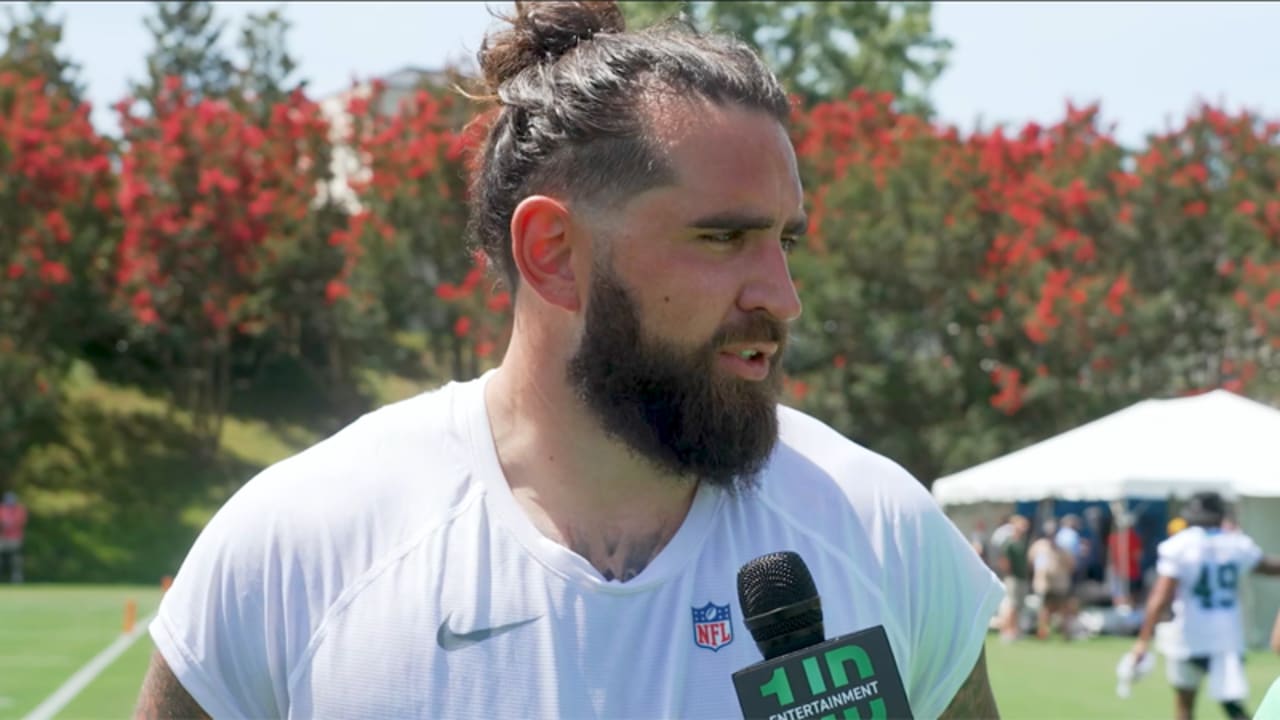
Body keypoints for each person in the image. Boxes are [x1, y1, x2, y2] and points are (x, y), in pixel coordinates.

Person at [133, 3, 1004, 718]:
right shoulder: (301, 544)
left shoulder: (879, 531)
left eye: (785, 241)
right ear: (553, 251)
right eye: (724, 236)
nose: (780, 295)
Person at [1131, 491, 1280, 720]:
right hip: (1226, 638)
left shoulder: (1180, 544)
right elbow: (1269, 567)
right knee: (1233, 706)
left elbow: (1161, 595)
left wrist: (1143, 638)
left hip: (1189, 636)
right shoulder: (1236, 543)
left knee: (1184, 706)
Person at [1029, 518, 1077, 640]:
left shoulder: (1062, 549)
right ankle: (1043, 633)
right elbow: (1031, 561)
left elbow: (1071, 565)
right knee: (1044, 610)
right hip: (1044, 584)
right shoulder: (1039, 546)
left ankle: (1065, 634)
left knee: (1063, 610)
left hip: (1060, 584)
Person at [995, 514, 1031, 642]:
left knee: (1018, 605)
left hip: (1021, 577)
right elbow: (1004, 560)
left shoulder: (1022, 542)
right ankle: (1007, 631)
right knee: (1011, 605)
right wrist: (1009, 573)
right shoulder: (1009, 543)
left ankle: (1015, 630)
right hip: (1013, 578)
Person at [1108, 514, 1145, 609]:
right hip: (1131, 572)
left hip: (1117, 571)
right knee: (1131, 597)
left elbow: (1111, 556)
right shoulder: (1134, 537)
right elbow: (1138, 556)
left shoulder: (1113, 537)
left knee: (1118, 595)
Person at [0, 491, 27, 583]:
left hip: (15, 537)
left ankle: (17, 577)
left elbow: (20, 522)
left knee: (15, 558)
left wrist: (9, 523)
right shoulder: (2, 509)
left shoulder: (19, 510)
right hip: (3, 537)